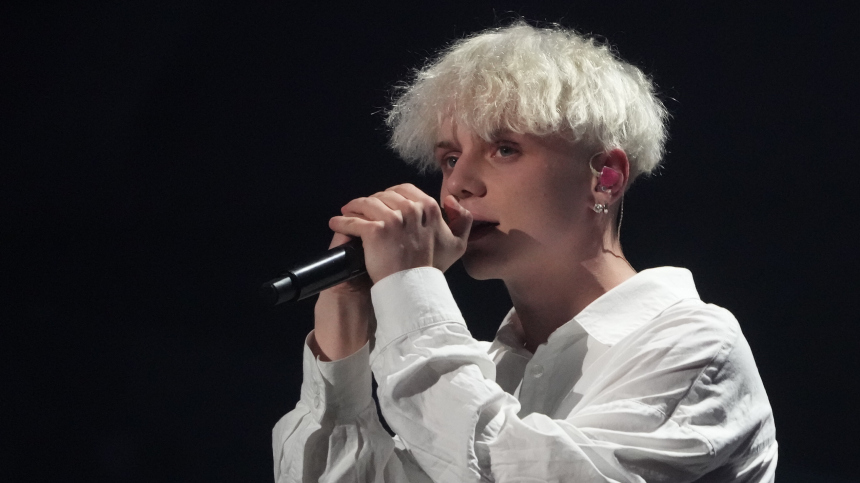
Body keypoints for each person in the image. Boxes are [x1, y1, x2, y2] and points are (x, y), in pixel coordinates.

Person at [272, 22, 777, 482]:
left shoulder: (695, 347)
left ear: (606, 178)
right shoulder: (477, 374)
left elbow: (506, 468)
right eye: (450, 157)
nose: (459, 184)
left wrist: (409, 287)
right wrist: (344, 309)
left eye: (504, 149)